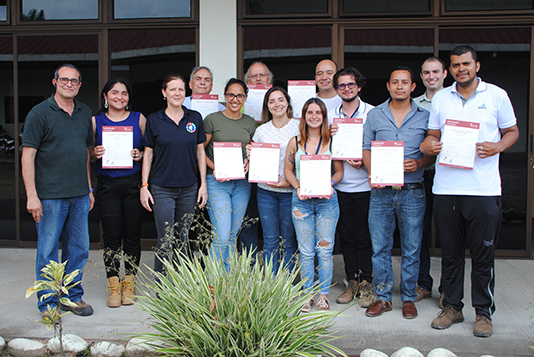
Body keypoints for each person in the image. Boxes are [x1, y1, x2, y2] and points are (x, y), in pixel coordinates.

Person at [421, 45, 519, 337]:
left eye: (466, 63)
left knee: (483, 254)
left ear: (477, 66)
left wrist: (498, 146)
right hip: (447, 188)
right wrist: (428, 145)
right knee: (450, 254)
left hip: (483, 189)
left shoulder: (497, 95)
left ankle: (483, 313)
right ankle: (451, 307)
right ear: (450, 70)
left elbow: (511, 131)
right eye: (455, 65)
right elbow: (431, 136)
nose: (460, 69)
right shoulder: (441, 98)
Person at [22, 63, 94, 317]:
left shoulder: (85, 112)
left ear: (79, 85)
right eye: (64, 79)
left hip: (79, 195)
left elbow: (85, 154)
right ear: (55, 82)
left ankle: (72, 297)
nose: (69, 84)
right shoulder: (40, 113)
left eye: (74, 81)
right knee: (48, 251)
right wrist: (32, 195)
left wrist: (89, 188)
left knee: (79, 248)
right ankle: (49, 303)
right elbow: (28, 156)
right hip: (50, 196)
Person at [362, 66, 433, 320]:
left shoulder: (425, 116)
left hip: (412, 191)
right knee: (379, 247)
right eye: (395, 82)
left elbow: (433, 152)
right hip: (381, 192)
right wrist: (372, 173)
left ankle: (408, 298)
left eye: (405, 82)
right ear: (388, 86)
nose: (400, 86)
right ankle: (382, 297)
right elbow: (366, 148)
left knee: (412, 247)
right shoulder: (375, 115)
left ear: (413, 87)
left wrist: (421, 163)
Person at [140, 74, 207, 276]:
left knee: (183, 237)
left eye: (180, 89)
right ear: (164, 92)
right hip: (162, 188)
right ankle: (162, 282)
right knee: (166, 238)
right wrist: (144, 186)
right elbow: (148, 154)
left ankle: (181, 282)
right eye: (172, 89)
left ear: (186, 92)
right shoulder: (154, 119)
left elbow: (200, 152)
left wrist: (203, 184)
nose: (177, 93)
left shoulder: (194, 118)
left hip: (189, 187)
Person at [90, 78, 146, 308]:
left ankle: (129, 283)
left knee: (132, 236)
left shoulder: (139, 119)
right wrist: (94, 153)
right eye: (114, 93)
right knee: (112, 237)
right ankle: (113, 284)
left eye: (124, 93)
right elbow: (87, 154)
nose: (120, 97)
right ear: (105, 96)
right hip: (107, 185)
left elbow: (149, 150)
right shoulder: (95, 121)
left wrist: (139, 155)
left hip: (133, 184)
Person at [284, 98, 343, 313]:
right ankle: (308, 294)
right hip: (302, 201)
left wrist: (330, 184)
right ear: (304, 115)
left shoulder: (331, 141)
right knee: (307, 252)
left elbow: (339, 172)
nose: (314, 116)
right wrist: (298, 187)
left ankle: (323, 296)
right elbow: (288, 170)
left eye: (318, 112)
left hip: (327, 201)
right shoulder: (295, 141)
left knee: (325, 251)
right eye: (310, 112)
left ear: (324, 116)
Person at [327, 67, 374, 308]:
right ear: (336, 89)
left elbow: (380, 145)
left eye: (351, 84)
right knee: (346, 236)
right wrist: (328, 134)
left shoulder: (372, 113)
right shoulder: (330, 115)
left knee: (364, 236)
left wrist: (366, 161)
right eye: (342, 85)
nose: (346, 88)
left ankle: (367, 282)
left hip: (366, 185)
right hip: (341, 186)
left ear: (359, 86)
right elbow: (320, 145)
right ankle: (352, 281)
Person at [204, 78, 257, 271]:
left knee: (233, 234)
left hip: (241, 184)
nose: (235, 99)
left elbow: (255, 150)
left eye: (240, 95)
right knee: (222, 235)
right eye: (231, 95)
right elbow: (199, 150)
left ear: (245, 98)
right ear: (225, 96)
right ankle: (211, 283)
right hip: (216, 182)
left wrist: (250, 161)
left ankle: (228, 282)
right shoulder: (212, 119)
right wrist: (214, 167)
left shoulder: (250, 123)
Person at [247, 86, 300, 274]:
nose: (276, 104)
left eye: (280, 100)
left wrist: (288, 182)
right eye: (271, 101)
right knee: (270, 238)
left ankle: (285, 283)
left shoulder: (299, 127)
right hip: (266, 191)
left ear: (287, 103)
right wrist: (250, 155)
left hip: (290, 192)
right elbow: (256, 161)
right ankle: (271, 282)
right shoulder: (261, 131)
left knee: (288, 239)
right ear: (267, 107)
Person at [413, 57, 448, 304]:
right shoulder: (413, 105)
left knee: (449, 235)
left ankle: (448, 287)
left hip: (450, 177)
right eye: (426, 72)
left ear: (445, 73)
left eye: (436, 71)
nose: (431, 76)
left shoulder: (455, 101)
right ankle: (423, 283)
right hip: (423, 177)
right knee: (421, 233)